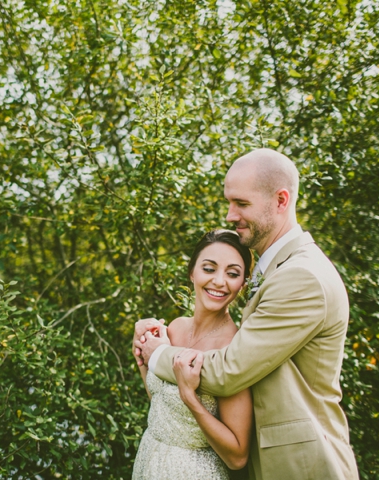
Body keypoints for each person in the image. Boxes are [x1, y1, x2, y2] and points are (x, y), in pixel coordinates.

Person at [134, 149, 359, 480]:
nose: (229, 214)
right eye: (229, 202)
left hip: (301, 466)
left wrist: (160, 355)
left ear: (281, 200)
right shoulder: (278, 269)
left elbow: (230, 370)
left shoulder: (303, 276)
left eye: (241, 203)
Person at [132, 229, 254, 479]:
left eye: (232, 274)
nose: (219, 281)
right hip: (149, 461)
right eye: (209, 268)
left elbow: (237, 457)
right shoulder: (176, 327)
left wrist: (190, 397)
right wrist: (143, 359)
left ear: (242, 284)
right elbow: (162, 406)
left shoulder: (232, 350)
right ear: (192, 272)